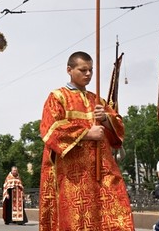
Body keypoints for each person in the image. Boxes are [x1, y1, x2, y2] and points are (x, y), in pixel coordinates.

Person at [39, 51, 134, 231]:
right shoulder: (58, 97)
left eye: (91, 70)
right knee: (77, 218)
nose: (88, 74)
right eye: (83, 70)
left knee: (116, 211)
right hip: (72, 172)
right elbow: (50, 129)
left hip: (101, 167)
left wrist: (106, 118)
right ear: (69, 70)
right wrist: (87, 133)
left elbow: (119, 127)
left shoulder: (97, 99)